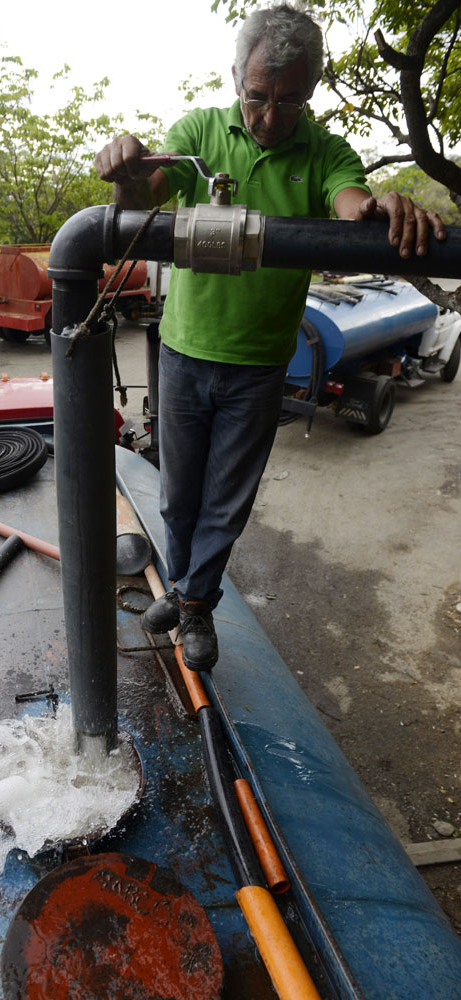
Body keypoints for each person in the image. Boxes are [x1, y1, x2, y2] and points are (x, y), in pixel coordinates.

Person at [95, 3, 446, 673]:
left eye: (290, 102)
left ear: (310, 93)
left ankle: (193, 606)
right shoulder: (200, 131)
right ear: (235, 78)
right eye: (257, 97)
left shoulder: (325, 151)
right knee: (177, 495)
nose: (268, 117)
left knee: (226, 502)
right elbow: (145, 194)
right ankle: (186, 590)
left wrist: (375, 211)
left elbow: (351, 201)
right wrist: (130, 170)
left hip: (258, 364)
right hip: (182, 350)